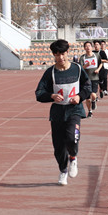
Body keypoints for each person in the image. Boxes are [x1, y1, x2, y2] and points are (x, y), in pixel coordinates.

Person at [35, 39, 92, 186]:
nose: (60, 57)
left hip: (74, 110)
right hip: (58, 113)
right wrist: (51, 96)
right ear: (53, 55)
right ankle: (63, 171)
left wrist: (79, 97)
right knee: (59, 146)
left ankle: (73, 157)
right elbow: (39, 93)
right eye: (57, 54)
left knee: (72, 137)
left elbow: (87, 86)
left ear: (68, 52)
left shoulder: (77, 69)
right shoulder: (50, 73)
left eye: (63, 54)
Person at [79, 41, 101, 118]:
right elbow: (80, 68)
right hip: (86, 79)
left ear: (92, 47)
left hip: (94, 77)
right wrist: (86, 65)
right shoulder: (82, 58)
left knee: (93, 94)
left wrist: (98, 69)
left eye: (89, 46)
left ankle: (94, 101)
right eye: (86, 46)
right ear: (84, 48)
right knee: (87, 99)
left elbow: (101, 63)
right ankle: (90, 111)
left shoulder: (96, 55)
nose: (88, 47)